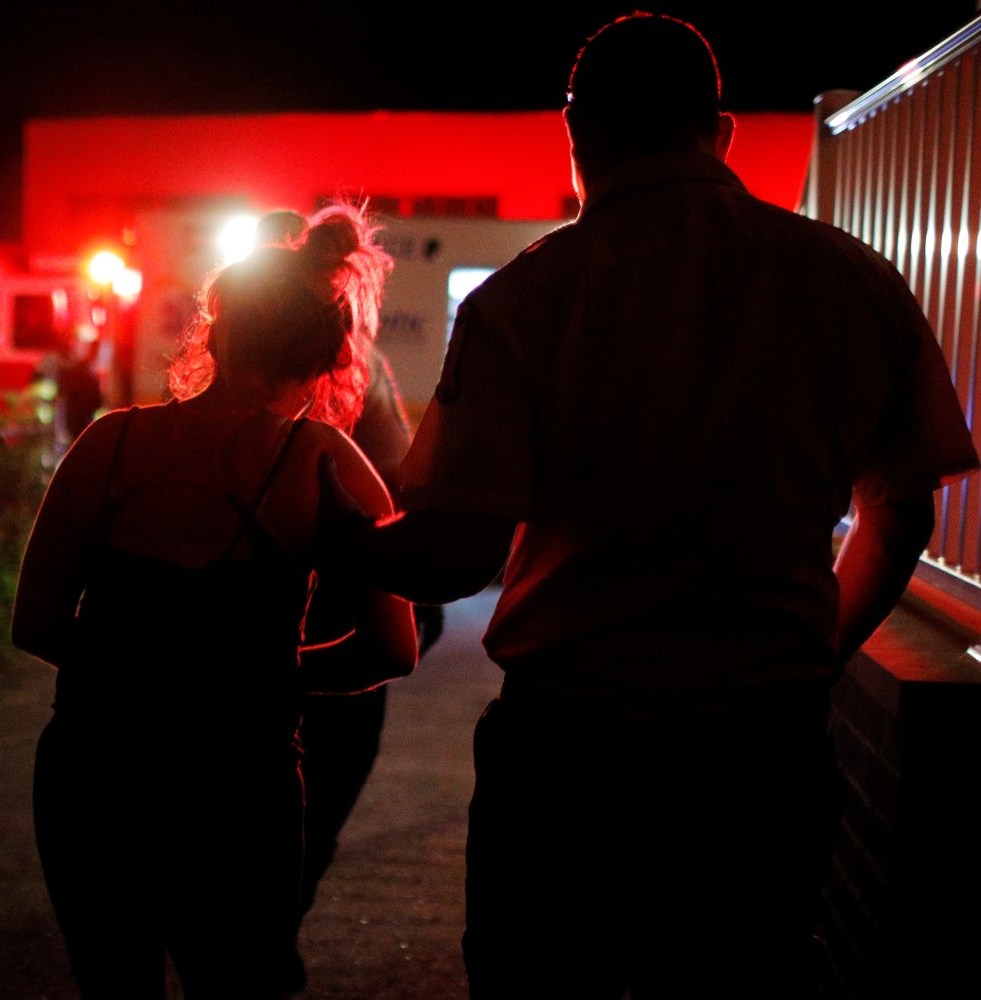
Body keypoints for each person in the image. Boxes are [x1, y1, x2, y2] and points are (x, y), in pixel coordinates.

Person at [321, 12, 980, 999]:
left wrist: (331, 533)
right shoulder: (850, 281)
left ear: (575, 133)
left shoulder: (525, 299)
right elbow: (902, 517)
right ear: (722, 133)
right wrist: (811, 654)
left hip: (568, 760)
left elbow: (458, 552)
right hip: (761, 757)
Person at [12, 201, 418, 999]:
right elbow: (392, 648)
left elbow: (35, 621)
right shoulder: (323, 462)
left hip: (94, 772)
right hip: (239, 783)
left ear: (216, 332)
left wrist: (137, 675)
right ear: (327, 359)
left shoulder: (107, 444)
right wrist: (265, 678)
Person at [254, 208, 444, 992]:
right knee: (318, 804)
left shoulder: (233, 377)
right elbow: (401, 485)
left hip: (252, 614)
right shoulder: (360, 364)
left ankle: (248, 938)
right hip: (344, 613)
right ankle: (272, 936)